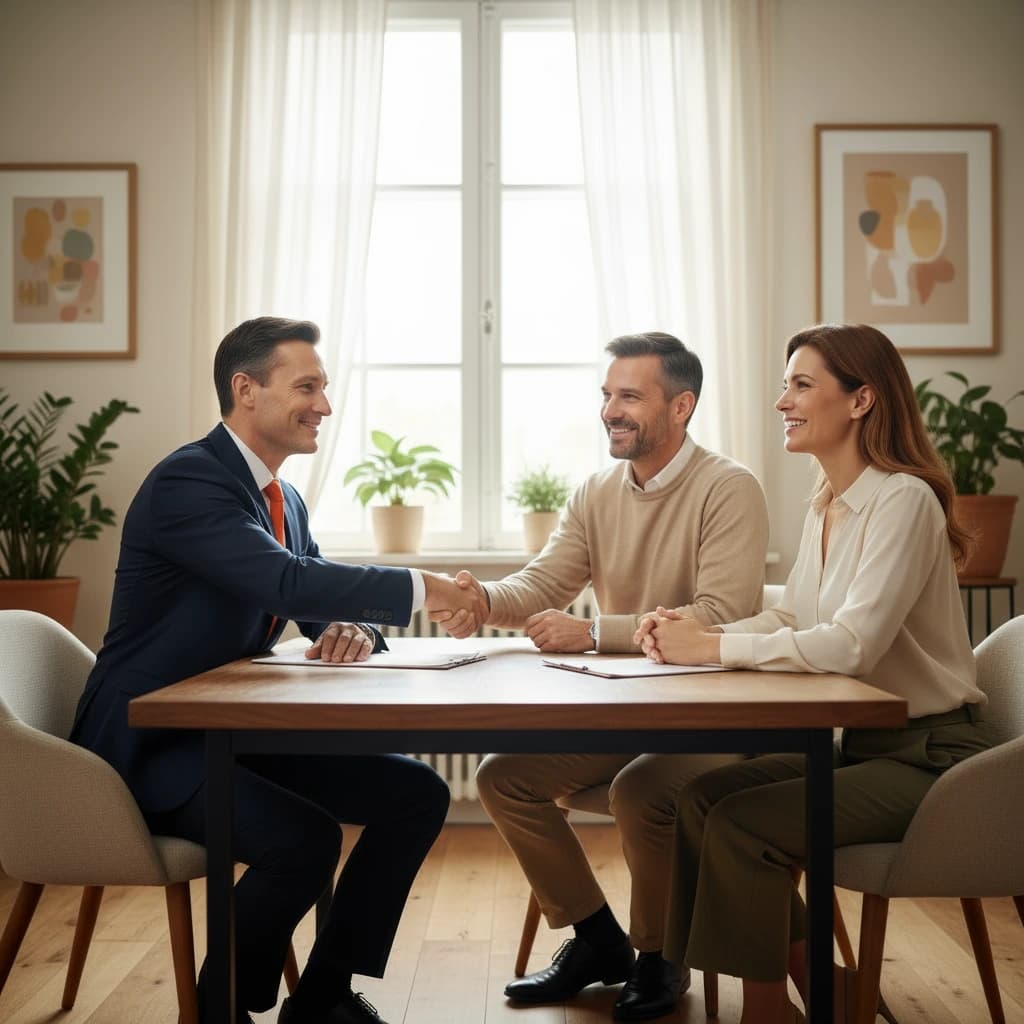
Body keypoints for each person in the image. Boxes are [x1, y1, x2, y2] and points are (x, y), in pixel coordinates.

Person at [70, 316, 487, 1024]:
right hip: (151, 746)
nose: (324, 404)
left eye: (323, 388)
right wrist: (425, 588)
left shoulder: (282, 497)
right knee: (305, 840)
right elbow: (289, 583)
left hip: (229, 730)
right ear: (246, 390)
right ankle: (221, 1007)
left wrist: (353, 630)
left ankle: (322, 998)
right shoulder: (188, 481)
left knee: (415, 792)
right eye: (307, 386)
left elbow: (313, 598)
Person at [636, 323, 991, 1024]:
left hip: (931, 757)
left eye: (802, 385)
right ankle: (819, 985)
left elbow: (852, 646)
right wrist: (699, 632)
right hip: (862, 747)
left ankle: (769, 1012)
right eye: (785, 384)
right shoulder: (827, 501)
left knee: (741, 824)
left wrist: (708, 652)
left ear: (860, 401)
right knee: (697, 802)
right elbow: (795, 621)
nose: (782, 402)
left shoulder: (903, 501)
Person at [447, 332, 769, 1021]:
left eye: (629, 396)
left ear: (680, 406)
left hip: (717, 717)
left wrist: (596, 632)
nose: (609, 411)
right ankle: (599, 941)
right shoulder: (596, 492)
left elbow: (722, 617)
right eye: (606, 395)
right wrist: (480, 600)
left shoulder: (729, 488)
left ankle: (659, 956)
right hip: (632, 711)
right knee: (503, 777)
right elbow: (543, 583)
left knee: (642, 789)